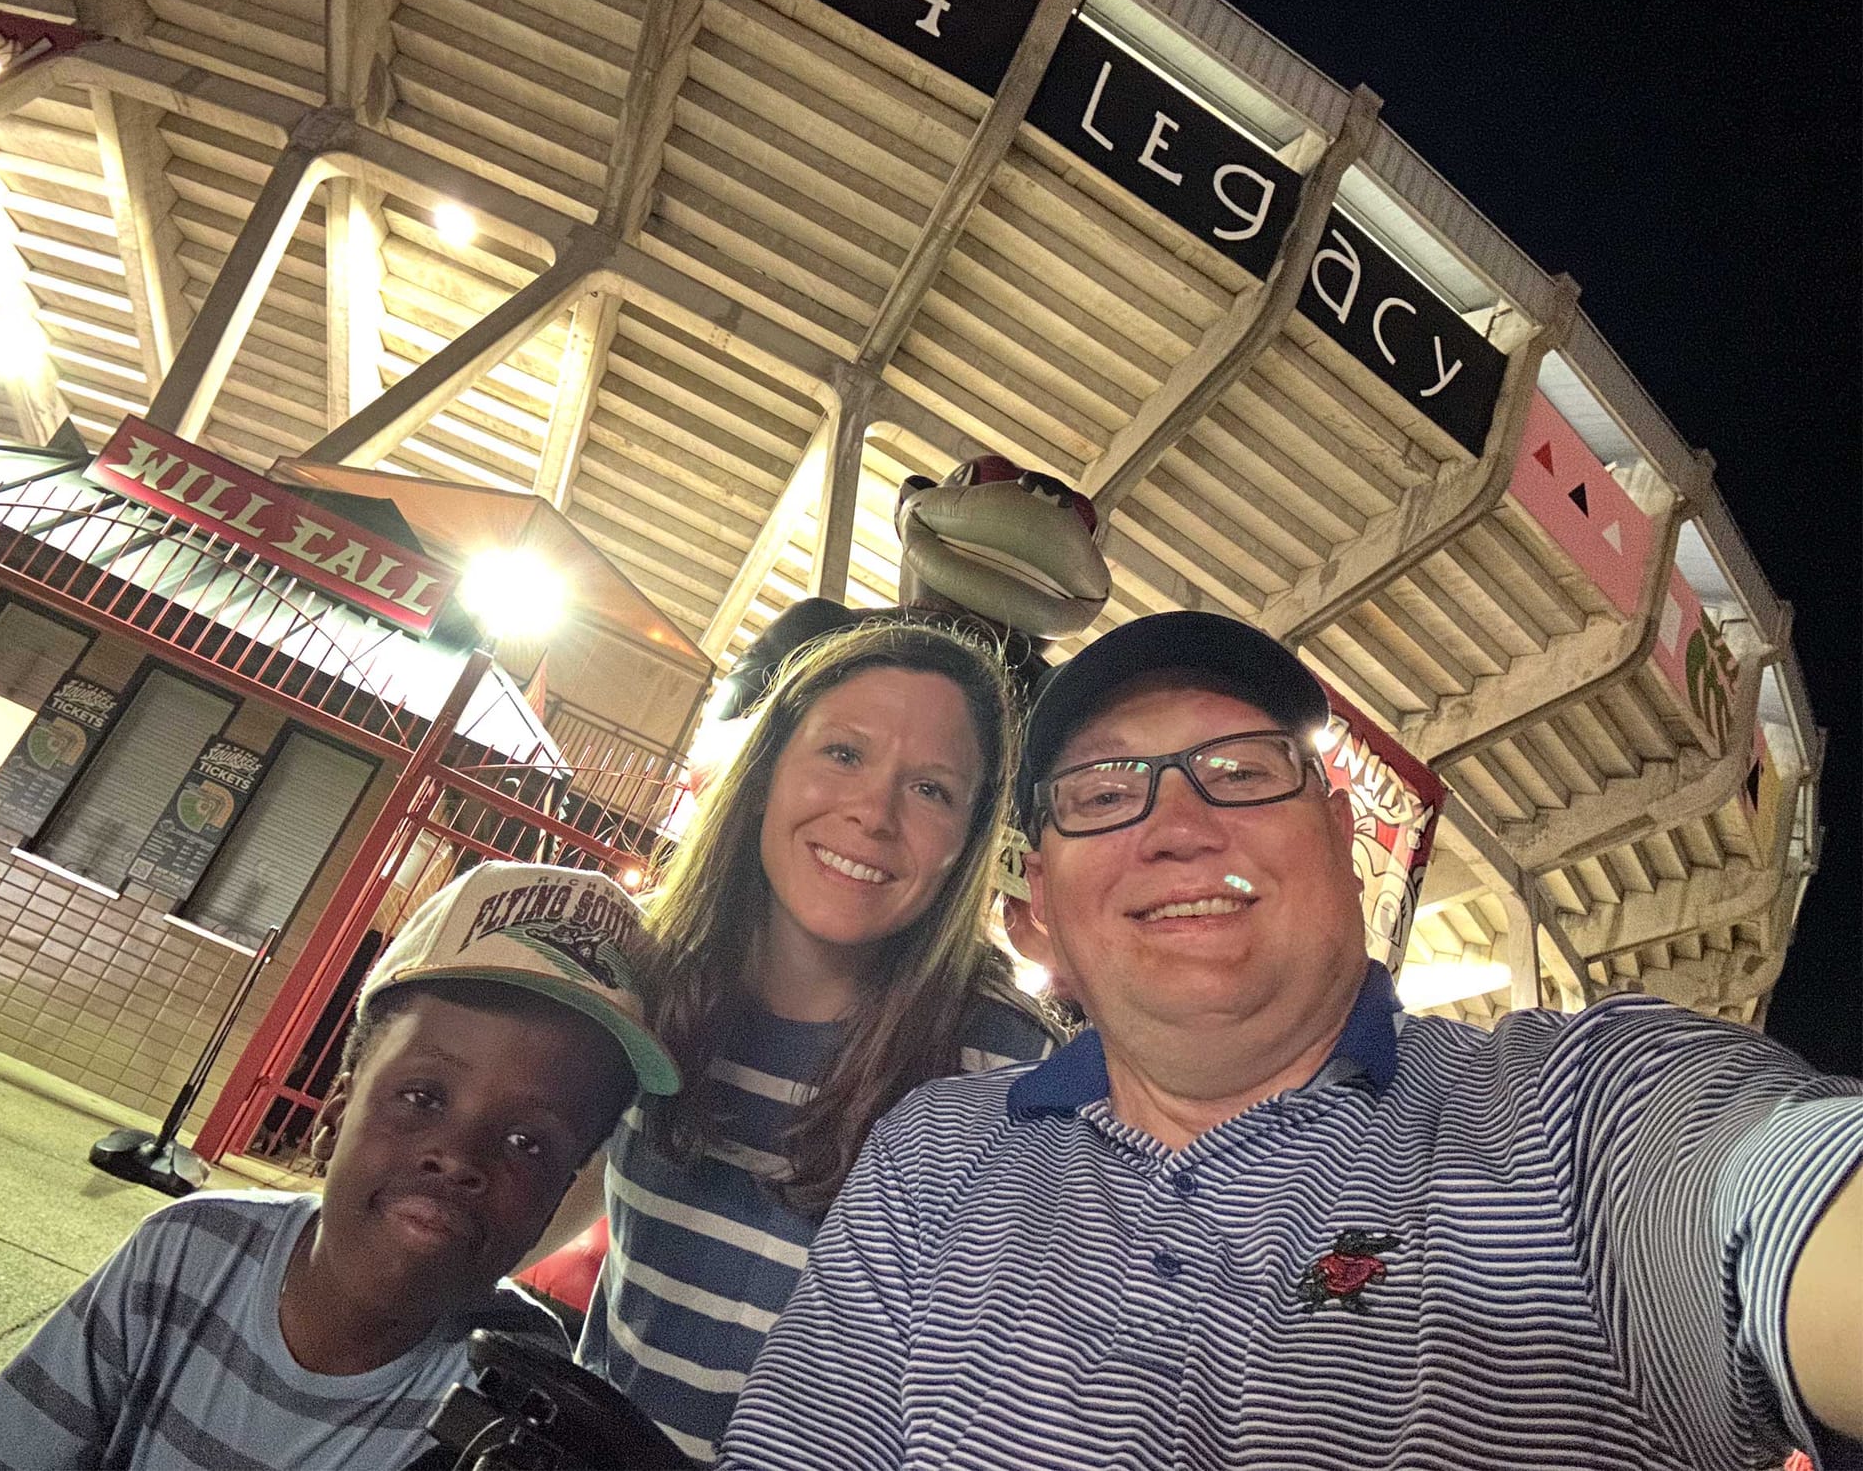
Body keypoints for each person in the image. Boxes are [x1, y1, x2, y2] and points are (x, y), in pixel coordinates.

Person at [719, 610, 1863, 1471]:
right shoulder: (932, 1155)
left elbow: (1776, 1195)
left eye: (1239, 771)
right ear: (1045, 908)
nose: (1175, 824)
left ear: (1336, 837)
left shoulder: (1575, 1113)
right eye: (1102, 793)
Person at [0, 862, 680, 1471]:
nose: (459, 1156)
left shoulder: (519, 1400)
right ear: (330, 1119)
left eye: (528, 1143)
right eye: (422, 1096)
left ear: (558, 1197)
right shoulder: (183, 1258)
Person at [563, 620, 1057, 1463]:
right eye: (843, 754)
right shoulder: (644, 985)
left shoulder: (1010, 1072)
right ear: (766, 774)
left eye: (932, 790)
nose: (873, 814)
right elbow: (527, 1197)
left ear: (966, 846)